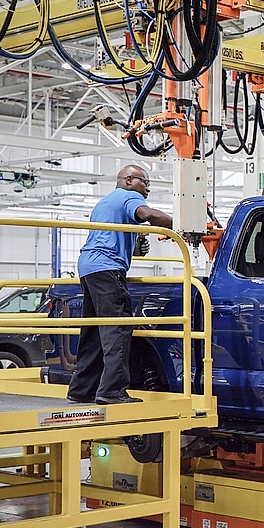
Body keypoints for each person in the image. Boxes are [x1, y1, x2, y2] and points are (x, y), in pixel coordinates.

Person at [67, 165, 173, 405]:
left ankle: (82, 390)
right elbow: (148, 214)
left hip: (89, 267)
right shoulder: (129, 196)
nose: (147, 189)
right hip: (107, 268)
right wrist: (181, 225)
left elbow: (111, 239)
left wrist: (136, 248)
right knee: (118, 329)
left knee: (94, 332)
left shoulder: (104, 203)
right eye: (145, 182)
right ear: (129, 180)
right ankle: (112, 391)